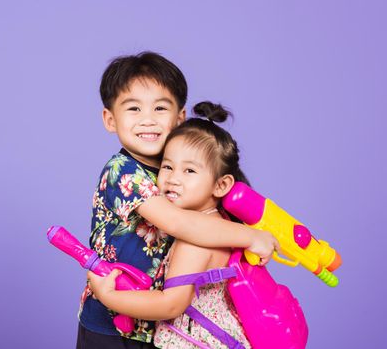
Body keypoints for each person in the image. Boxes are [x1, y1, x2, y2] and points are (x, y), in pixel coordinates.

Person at [77, 52, 277, 349]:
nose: (148, 119)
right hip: (110, 322)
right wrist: (251, 236)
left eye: (160, 108)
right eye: (133, 109)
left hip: (161, 325)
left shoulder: (180, 172)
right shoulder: (122, 172)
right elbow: (178, 223)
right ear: (110, 119)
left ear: (180, 117)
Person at [88, 101, 254, 348]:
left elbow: (171, 304)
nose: (173, 178)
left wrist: (108, 297)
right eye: (167, 166)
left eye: (189, 171)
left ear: (221, 185)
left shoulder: (195, 238)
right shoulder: (219, 223)